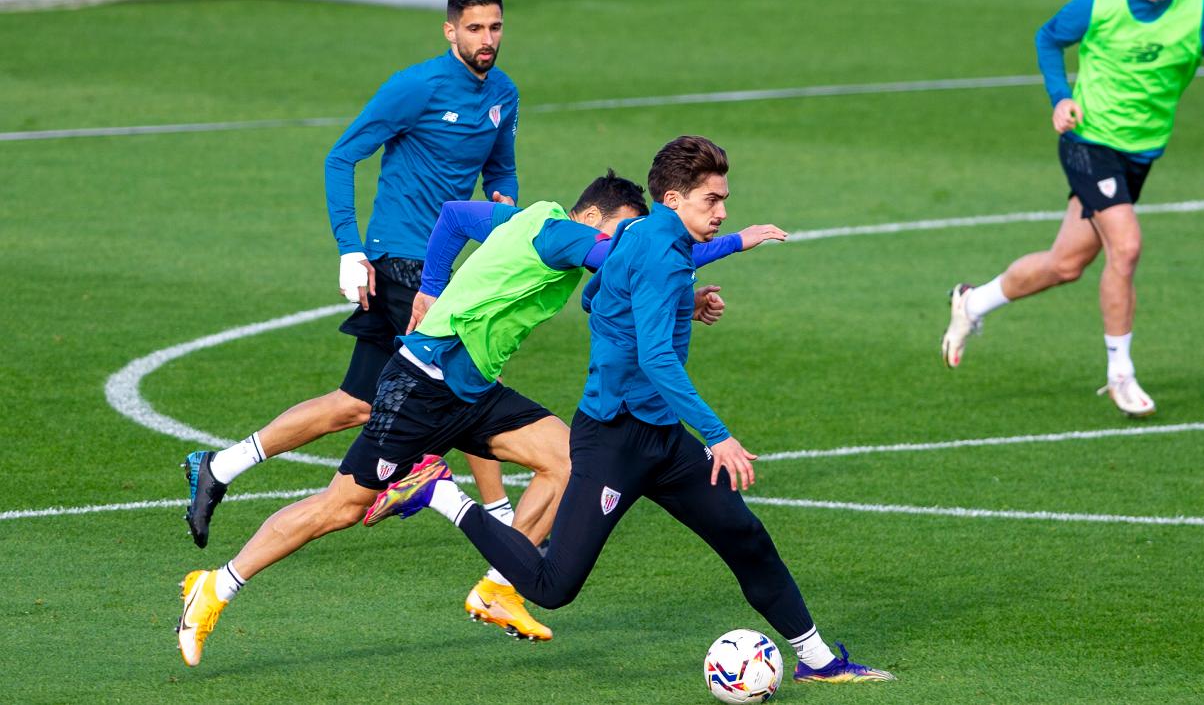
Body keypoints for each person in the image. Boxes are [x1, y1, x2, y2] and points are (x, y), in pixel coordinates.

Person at [177, 170, 786, 666]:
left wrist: (431, 287)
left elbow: (453, 217)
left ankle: (498, 587)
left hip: (471, 390)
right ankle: (217, 585)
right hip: (421, 388)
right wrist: (735, 242)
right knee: (339, 508)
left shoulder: (526, 216)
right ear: (595, 217)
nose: (626, 241)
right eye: (621, 229)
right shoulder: (564, 236)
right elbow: (636, 258)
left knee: (569, 460)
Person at [364, 136, 896, 685]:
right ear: (674, 200)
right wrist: (718, 435)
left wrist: (677, 301)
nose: (722, 211)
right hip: (614, 440)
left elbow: (594, 296)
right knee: (552, 586)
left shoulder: (641, 235)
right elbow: (656, 358)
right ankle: (440, 493)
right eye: (712, 200)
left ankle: (818, 662)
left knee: (746, 537)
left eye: (723, 200)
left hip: (663, 440)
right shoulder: (661, 253)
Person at [183, 0, 520, 554]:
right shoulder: (416, 87)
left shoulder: (503, 94)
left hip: (439, 262)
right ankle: (504, 520)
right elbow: (341, 157)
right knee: (469, 377)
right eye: (474, 29)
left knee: (356, 403)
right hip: (401, 260)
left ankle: (219, 466)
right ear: (450, 31)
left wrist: (503, 204)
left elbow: (501, 168)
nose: (486, 39)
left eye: (494, 27)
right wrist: (349, 247)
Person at [941, 0, 1204, 417]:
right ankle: (1120, 374)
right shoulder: (1099, 3)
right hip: (1088, 142)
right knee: (1126, 247)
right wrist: (1060, 96)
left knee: (1066, 264)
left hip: (1138, 157)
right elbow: (1048, 38)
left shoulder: (1199, 12)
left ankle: (972, 303)